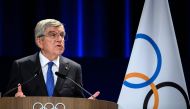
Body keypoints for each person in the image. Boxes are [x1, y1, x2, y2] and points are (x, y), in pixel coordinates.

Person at [6, 19, 100, 99]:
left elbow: (78, 101)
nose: (60, 39)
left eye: (62, 35)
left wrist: (86, 104)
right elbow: (7, 100)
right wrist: (16, 99)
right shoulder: (21, 66)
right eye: (53, 35)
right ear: (39, 41)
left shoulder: (74, 68)